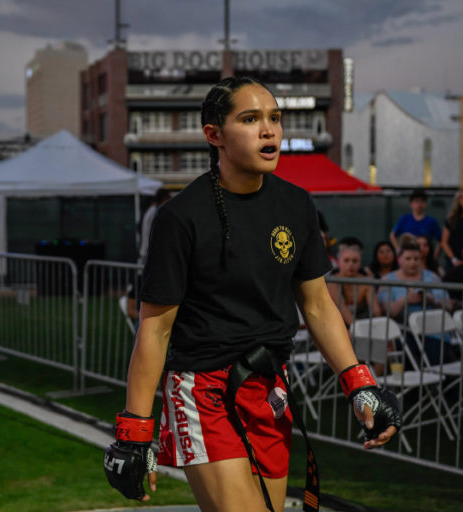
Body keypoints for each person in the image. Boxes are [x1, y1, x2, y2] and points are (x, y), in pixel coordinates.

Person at [103, 77, 400, 512]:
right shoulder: (180, 217)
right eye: (250, 119)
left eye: (274, 118)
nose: (268, 130)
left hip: (268, 387)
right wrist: (135, 429)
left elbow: (318, 305)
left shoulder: (297, 206)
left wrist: (359, 383)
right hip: (202, 389)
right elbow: (155, 329)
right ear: (214, 135)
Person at [377, 238, 450, 364]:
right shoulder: (387, 280)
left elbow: (448, 305)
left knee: (436, 355)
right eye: (408, 259)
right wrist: (406, 300)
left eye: (416, 259)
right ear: (399, 259)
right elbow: (388, 311)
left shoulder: (432, 277)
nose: (413, 262)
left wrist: (432, 300)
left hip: (432, 332)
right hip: (403, 332)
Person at [327, 239, 380, 327]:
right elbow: (343, 309)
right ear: (339, 262)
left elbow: (376, 311)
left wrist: (377, 327)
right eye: (346, 260)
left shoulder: (366, 281)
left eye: (355, 261)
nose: (351, 264)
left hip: (362, 324)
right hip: (337, 326)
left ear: (360, 262)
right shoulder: (332, 281)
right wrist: (358, 330)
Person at [388, 189, 441, 257]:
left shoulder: (431, 222)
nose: (419, 204)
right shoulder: (404, 219)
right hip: (407, 257)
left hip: (424, 257)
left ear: (425, 204)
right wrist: (398, 250)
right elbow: (392, 235)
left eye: (422, 201)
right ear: (411, 204)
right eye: (416, 201)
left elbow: (441, 240)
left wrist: (435, 256)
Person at [138, 188, 172, 264]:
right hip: (151, 253)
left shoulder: (152, 210)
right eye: (169, 197)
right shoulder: (156, 211)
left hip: (148, 252)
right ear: (164, 198)